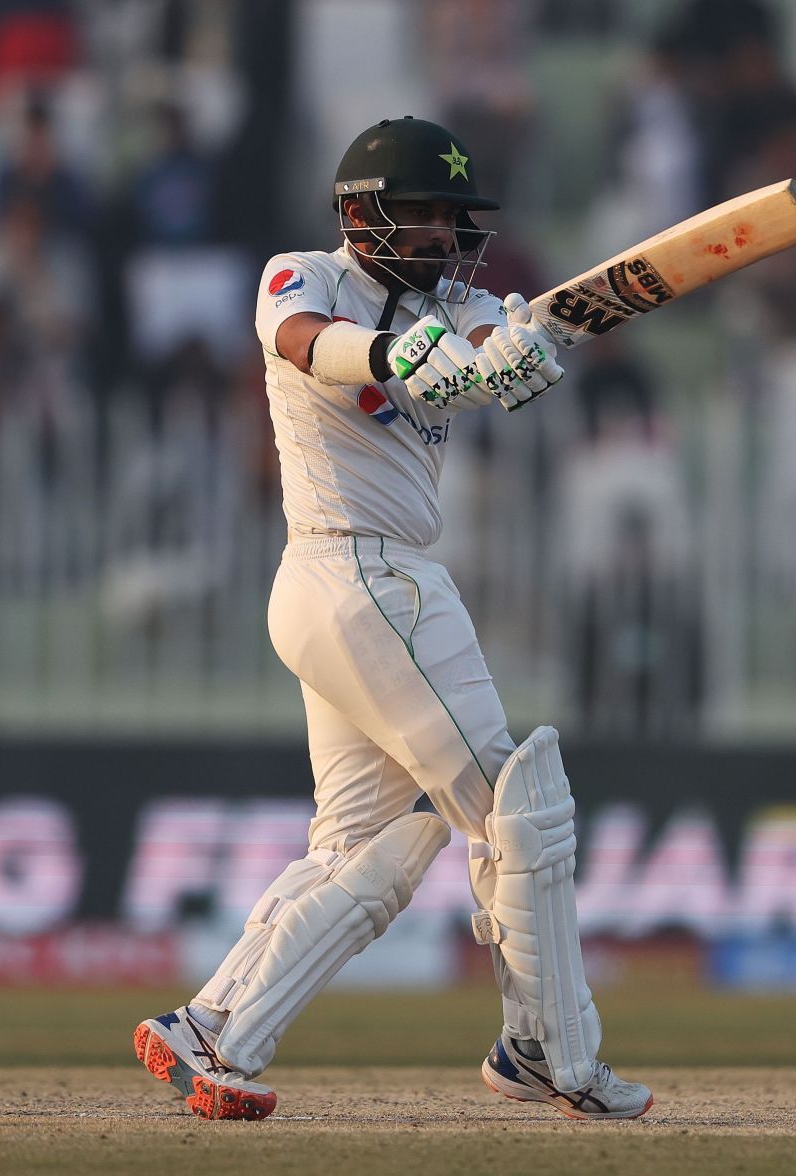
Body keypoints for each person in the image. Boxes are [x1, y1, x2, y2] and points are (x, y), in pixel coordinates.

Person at [132, 117, 653, 1123]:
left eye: (457, 220)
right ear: (363, 213)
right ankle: (548, 1050)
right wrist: (408, 359)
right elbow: (304, 346)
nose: (448, 238)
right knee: (518, 801)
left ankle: (210, 1032)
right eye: (424, 216)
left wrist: (516, 354)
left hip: (370, 588)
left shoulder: (452, 306)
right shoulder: (304, 276)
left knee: (365, 846)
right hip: (352, 571)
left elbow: (479, 350)